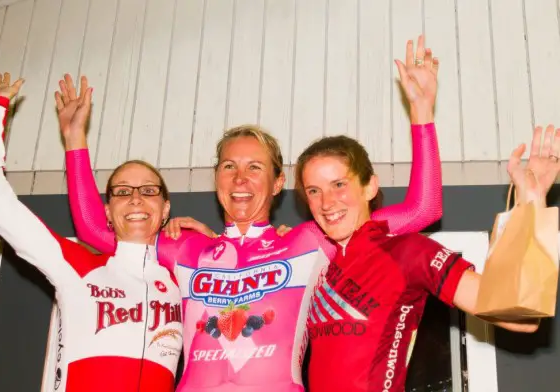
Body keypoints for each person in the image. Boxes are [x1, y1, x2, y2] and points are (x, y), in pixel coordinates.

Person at [63, 36, 442, 392]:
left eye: (255, 168)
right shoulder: (185, 248)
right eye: (229, 166)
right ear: (216, 179)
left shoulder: (310, 242)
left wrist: (422, 113)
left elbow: (422, 209)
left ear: (278, 183)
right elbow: (96, 228)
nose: (240, 178)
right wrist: (75, 138)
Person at [294, 126, 556, 390]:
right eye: (313, 191)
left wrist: (531, 200)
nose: (326, 202)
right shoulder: (318, 269)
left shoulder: (407, 251)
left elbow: (521, 317)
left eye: (339, 185)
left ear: (370, 187)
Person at [0, 73, 183, 392]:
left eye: (149, 190)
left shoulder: (186, 279)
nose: (136, 197)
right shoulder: (76, 266)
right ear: (108, 212)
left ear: (166, 208)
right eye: (123, 191)